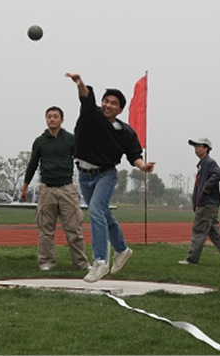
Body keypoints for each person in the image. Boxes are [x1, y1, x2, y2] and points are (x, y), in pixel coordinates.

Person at [65, 73, 155, 283]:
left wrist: (143, 167)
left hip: (105, 174)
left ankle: (100, 261)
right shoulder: (91, 114)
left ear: (120, 109)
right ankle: (122, 250)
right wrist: (79, 83)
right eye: (106, 101)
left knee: (96, 210)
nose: (108, 105)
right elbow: (85, 96)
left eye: (113, 103)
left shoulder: (126, 133)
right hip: (84, 175)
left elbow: (134, 155)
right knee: (104, 214)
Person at [20, 106, 90, 271]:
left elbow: (81, 160)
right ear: (46, 119)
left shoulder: (71, 139)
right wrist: (25, 187)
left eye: (55, 116)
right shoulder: (40, 141)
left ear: (62, 120)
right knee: (46, 230)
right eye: (49, 116)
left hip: (67, 188)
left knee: (74, 228)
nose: (52, 119)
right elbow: (32, 164)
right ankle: (46, 262)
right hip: (47, 189)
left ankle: (81, 263)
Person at [179, 137, 220, 266]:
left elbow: (218, 174)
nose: (196, 149)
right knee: (215, 234)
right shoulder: (203, 164)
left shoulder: (209, 162)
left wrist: (207, 188)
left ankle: (192, 259)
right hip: (209, 203)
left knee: (198, 231)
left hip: (207, 203)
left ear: (206, 148)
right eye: (195, 146)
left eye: (199, 146)